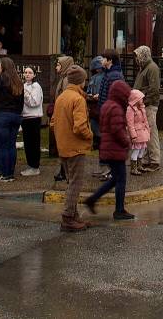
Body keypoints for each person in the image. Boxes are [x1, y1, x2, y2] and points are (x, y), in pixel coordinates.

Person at [83, 80, 135, 220]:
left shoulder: (107, 105)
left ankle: (93, 199)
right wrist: (126, 142)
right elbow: (117, 129)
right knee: (121, 180)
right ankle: (119, 210)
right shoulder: (117, 108)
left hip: (107, 147)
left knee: (115, 179)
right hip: (115, 148)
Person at [51, 64, 93, 232]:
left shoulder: (61, 97)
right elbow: (80, 127)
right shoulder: (78, 99)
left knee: (71, 181)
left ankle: (73, 215)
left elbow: (53, 123)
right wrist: (90, 135)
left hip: (63, 146)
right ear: (81, 81)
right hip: (76, 147)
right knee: (75, 183)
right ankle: (68, 217)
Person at [0, 56, 24, 183]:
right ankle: (11, 174)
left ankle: (5, 174)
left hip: (1, 115)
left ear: (4, 66)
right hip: (15, 116)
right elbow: (21, 101)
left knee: (3, 146)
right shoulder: (18, 80)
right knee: (11, 145)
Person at [133, 46, 161, 172]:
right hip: (144, 104)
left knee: (150, 132)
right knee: (145, 133)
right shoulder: (144, 68)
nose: (136, 58)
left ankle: (154, 160)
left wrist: (143, 102)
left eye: (137, 55)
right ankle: (146, 159)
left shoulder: (152, 68)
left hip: (148, 105)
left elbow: (154, 89)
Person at [48, 55, 75, 180]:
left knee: (65, 145)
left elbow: (65, 99)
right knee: (63, 144)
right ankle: (64, 170)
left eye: (59, 65)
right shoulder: (63, 78)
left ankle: (65, 171)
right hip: (61, 115)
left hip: (64, 116)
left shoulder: (66, 80)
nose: (56, 67)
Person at [20, 66, 43, 177]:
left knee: (34, 143)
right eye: (26, 72)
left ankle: (35, 166)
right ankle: (30, 165)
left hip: (34, 118)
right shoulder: (23, 86)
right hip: (25, 118)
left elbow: (34, 102)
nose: (27, 74)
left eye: (30, 72)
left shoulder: (36, 86)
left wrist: (25, 94)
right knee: (27, 144)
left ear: (34, 75)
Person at [126, 87, 151, 175]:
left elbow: (145, 121)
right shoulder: (130, 109)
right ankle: (133, 168)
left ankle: (139, 165)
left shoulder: (141, 108)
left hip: (143, 132)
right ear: (136, 99)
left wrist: (148, 130)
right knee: (136, 150)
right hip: (137, 133)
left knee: (142, 149)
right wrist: (133, 135)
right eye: (141, 98)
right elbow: (130, 124)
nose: (142, 100)